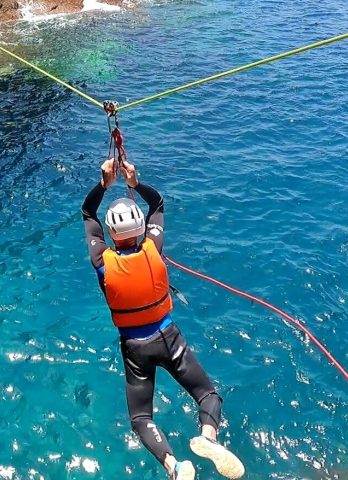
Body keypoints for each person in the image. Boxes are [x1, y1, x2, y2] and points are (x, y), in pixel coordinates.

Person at [81, 158, 245, 479]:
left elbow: (88, 214)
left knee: (142, 418)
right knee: (208, 395)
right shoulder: (153, 249)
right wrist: (134, 181)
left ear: (112, 234)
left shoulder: (103, 261)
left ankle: (174, 466)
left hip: (135, 349)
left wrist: (104, 183)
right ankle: (208, 436)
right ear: (141, 229)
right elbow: (157, 203)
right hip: (169, 338)